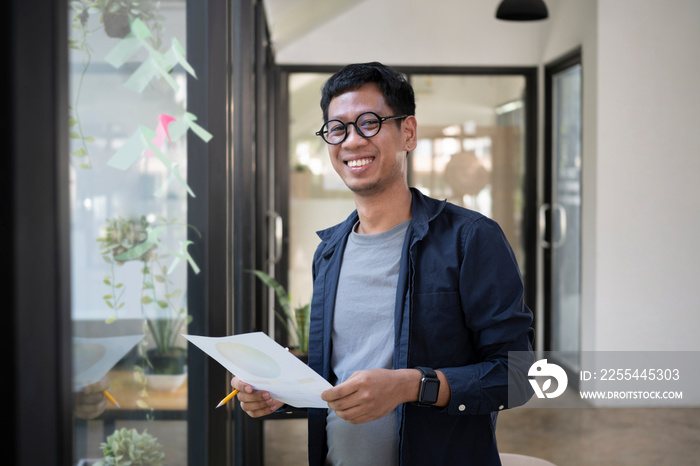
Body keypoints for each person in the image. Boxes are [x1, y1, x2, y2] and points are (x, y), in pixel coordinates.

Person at [232, 62, 535, 465]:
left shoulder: (471, 238)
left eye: (369, 123)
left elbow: (517, 376)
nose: (352, 141)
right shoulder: (330, 251)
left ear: (407, 133)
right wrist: (275, 393)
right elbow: (341, 378)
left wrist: (411, 386)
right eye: (337, 128)